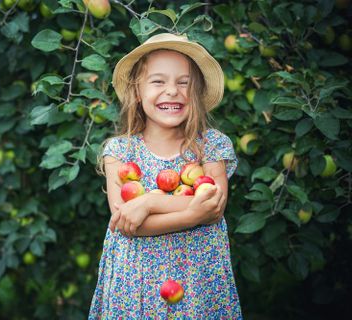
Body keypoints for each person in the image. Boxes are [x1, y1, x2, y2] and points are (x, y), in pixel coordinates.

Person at [88, 33, 242, 319]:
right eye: (158, 81)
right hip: (135, 285)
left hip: (197, 282)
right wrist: (190, 213)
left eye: (183, 83)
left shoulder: (211, 145)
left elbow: (213, 205)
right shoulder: (120, 152)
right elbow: (126, 222)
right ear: (137, 92)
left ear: (194, 92)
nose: (172, 91)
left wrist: (149, 203)